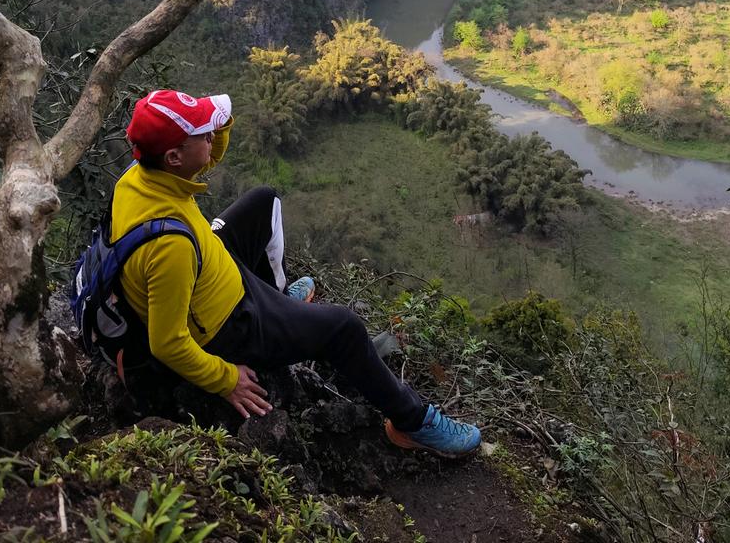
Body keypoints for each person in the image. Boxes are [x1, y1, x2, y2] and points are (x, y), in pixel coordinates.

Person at [109, 88, 482, 457]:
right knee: (344, 327)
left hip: (213, 270)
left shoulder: (140, 176)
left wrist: (215, 121)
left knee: (263, 200)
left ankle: (281, 298)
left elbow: (202, 160)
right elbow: (167, 342)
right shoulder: (168, 247)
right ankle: (413, 423)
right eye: (202, 135)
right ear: (174, 156)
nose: (211, 140)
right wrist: (226, 380)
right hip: (232, 324)